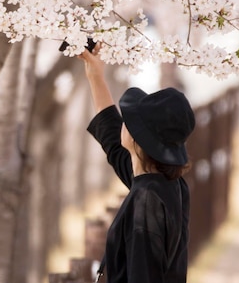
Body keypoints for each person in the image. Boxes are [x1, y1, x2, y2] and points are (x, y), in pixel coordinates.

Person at [78, 44, 195, 283]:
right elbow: (112, 140)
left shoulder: (146, 201)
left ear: (137, 138)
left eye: (129, 121)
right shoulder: (166, 185)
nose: (123, 123)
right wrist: (95, 75)